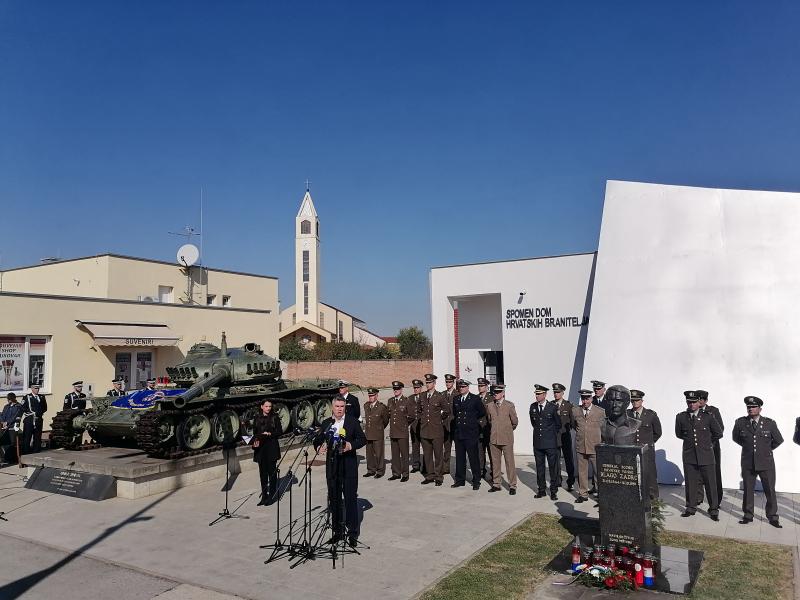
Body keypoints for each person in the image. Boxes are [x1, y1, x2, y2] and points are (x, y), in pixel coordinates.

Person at [313, 397, 367, 547]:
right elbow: (317, 440)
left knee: (350, 499)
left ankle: (352, 533)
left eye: (342, 406)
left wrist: (350, 445)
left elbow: (362, 439)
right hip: (332, 467)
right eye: (337, 406)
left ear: (345, 407)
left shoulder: (352, 422)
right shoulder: (326, 423)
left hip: (348, 466)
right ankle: (338, 532)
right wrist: (318, 447)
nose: (339, 409)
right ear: (332, 407)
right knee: (334, 499)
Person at [731, 396, 784, 527]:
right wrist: (749, 448)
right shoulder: (740, 422)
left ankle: (772, 517)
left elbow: (778, 440)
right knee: (748, 490)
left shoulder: (769, 423)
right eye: (748, 407)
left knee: (770, 490)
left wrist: (765, 450)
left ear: (760, 409)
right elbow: (736, 438)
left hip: (766, 463)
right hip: (748, 462)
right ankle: (748, 515)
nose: (751, 409)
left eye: (754, 407)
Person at [675, 390, 722, 521]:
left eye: (694, 402)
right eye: (689, 402)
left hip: (706, 455)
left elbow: (718, 433)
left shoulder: (708, 416)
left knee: (710, 484)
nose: (691, 405)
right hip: (689, 455)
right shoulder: (681, 417)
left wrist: (707, 443)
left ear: (699, 402)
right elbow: (679, 434)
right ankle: (691, 507)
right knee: (691, 483)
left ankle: (713, 509)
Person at [451, 379, 486, 490]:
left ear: (467, 387)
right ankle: (460, 480)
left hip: (471, 433)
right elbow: (455, 413)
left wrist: (472, 421)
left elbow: (482, 412)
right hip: (459, 433)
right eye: (460, 387)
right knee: (460, 458)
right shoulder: (456, 399)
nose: (461, 388)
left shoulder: (475, 399)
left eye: (463, 387)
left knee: (473, 458)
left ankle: (476, 480)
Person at [627, 389, 662, 499]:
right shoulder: (627, 414)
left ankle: (653, 497)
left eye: (637, 400)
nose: (635, 402)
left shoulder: (651, 415)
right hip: (632, 449)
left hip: (647, 450)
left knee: (650, 473)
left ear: (642, 401)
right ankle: (634, 496)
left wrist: (649, 443)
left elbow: (658, 432)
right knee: (633, 473)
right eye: (633, 401)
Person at [572, 389, 605, 503]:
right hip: (581, 446)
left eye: (587, 399)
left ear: (591, 398)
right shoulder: (575, 411)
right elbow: (574, 425)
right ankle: (583, 494)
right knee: (582, 472)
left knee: (598, 472)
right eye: (583, 399)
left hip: (595, 446)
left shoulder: (600, 412)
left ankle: (600, 494)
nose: (585, 401)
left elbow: (603, 428)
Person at [529, 384, 561, 500]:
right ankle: (541, 490)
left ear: (545, 394)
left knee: (553, 468)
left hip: (550, 443)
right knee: (540, 467)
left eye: (539, 394)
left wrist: (550, 435)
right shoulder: (533, 406)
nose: (537, 396)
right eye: (536, 394)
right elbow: (534, 423)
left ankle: (553, 491)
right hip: (538, 443)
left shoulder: (552, 407)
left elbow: (558, 424)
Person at [419, 373, 451, 487]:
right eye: (427, 382)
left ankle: (438, 477)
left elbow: (447, 410)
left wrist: (439, 419)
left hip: (437, 430)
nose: (428, 384)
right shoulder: (422, 396)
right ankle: (430, 476)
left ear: (434, 383)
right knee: (427, 455)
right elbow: (418, 410)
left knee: (438, 455)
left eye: (430, 382)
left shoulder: (440, 396)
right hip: (424, 430)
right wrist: (422, 420)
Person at [486, 384, 518, 494]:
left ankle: (512, 485)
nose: (495, 394)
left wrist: (506, 430)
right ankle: (496, 484)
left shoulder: (509, 405)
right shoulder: (490, 406)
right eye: (494, 392)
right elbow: (490, 420)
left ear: (503, 393)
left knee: (510, 463)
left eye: (498, 392)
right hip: (494, 438)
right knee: (495, 463)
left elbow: (515, 422)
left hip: (506, 438)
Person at [696, 389, 724, 506]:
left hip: (712, 447)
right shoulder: (692, 411)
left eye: (701, 399)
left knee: (714, 473)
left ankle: (717, 499)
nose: (699, 401)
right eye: (697, 399)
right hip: (697, 447)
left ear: (706, 400)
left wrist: (708, 441)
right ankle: (698, 497)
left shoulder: (713, 411)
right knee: (697, 472)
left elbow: (720, 428)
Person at [252, 399, 281, 505]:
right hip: (260, 449)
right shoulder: (257, 418)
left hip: (271, 447)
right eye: (266, 406)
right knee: (263, 475)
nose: (268, 408)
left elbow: (279, 431)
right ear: (262, 407)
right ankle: (264, 497)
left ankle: (271, 496)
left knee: (272, 473)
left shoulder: (275, 417)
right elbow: (255, 432)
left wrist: (270, 434)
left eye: (270, 406)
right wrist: (254, 442)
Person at [387, 381, 413, 481]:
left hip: (402, 432)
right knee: (395, 454)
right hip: (393, 432)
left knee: (404, 454)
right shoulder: (390, 401)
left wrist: (404, 425)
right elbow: (388, 415)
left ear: (401, 389)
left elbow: (411, 416)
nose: (396, 390)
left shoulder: (406, 401)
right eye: (394, 389)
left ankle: (405, 474)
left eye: (397, 389)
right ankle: (396, 473)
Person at [553, 383, 575, 491]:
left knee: (568, 459)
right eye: (554, 392)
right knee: (556, 460)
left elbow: (572, 422)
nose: (556, 394)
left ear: (562, 393)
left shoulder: (568, 405)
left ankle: (570, 482)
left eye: (558, 392)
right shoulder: (551, 405)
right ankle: (558, 481)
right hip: (554, 437)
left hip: (565, 436)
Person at [363, 388, 389, 478]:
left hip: (378, 434)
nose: (371, 397)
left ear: (377, 396)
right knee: (369, 454)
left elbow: (385, 420)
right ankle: (371, 470)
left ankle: (380, 471)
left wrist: (380, 428)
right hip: (368, 434)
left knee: (379, 454)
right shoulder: (366, 405)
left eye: (372, 395)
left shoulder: (382, 407)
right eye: (369, 395)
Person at [20, 384, 47, 454]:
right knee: (27, 436)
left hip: (38, 419)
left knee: (37, 436)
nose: (37, 390)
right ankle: (26, 451)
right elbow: (22, 407)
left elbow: (45, 407)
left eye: (38, 388)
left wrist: (39, 413)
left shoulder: (42, 397)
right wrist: (31, 413)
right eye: (35, 388)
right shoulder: (27, 397)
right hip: (30, 419)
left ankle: (36, 450)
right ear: (32, 389)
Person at [476, 377, 494, 482]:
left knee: (492, 454)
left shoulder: (491, 398)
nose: (480, 387)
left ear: (487, 387)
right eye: (479, 385)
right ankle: (481, 471)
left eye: (482, 386)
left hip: (489, 429)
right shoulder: (475, 398)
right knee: (480, 452)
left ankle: (494, 473)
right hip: (478, 429)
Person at [441, 374, 457, 476]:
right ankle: (446, 468)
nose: (448, 383)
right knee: (446, 449)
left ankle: (460, 468)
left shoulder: (457, 394)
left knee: (459, 449)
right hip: (445, 425)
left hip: (455, 425)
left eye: (450, 382)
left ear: (453, 382)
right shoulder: (442, 394)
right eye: (447, 382)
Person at [1, 393, 23, 465]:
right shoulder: (6, 406)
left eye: (10, 399)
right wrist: (3, 422)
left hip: (13, 427)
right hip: (5, 428)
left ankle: (13, 459)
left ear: (14, 399)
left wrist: (7, 423)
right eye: (8, 399)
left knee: (12, 444)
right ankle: (6, 458)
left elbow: (15, 417)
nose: (9, 401)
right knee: (5, 443)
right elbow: (3, 415)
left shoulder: (18, 407)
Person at [409, 379, 424, 474]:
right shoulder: (410, 398)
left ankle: (426, 466)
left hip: (423, 427)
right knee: (415, 446)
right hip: (413, 427)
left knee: (426, 447)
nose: (416, 389)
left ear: (421, 388)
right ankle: (416, 465)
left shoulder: (424, 397)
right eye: (414, 387)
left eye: (417, 387)